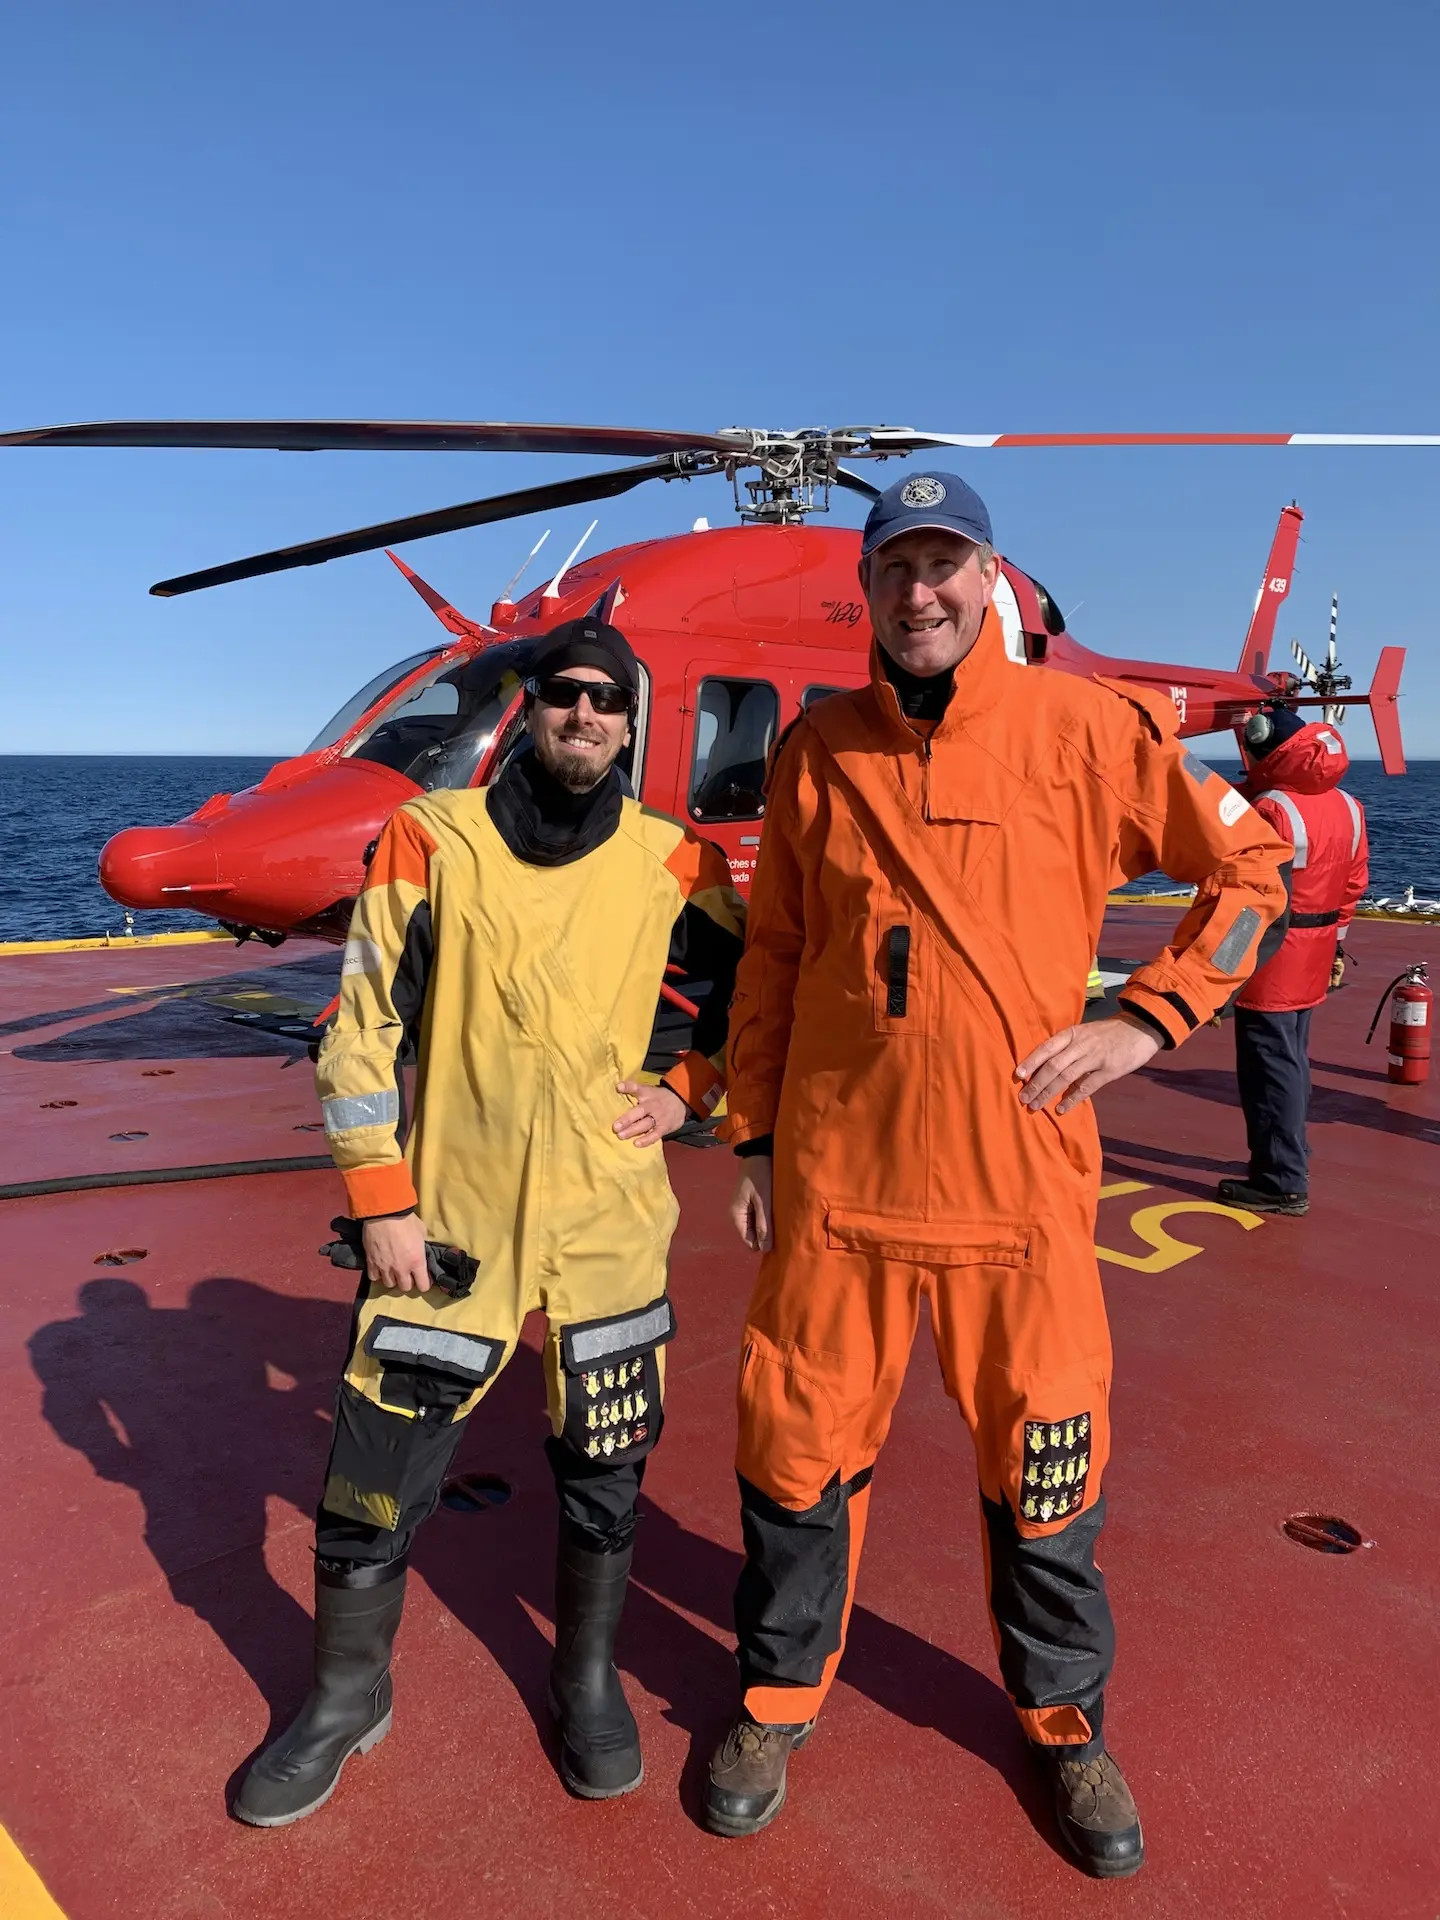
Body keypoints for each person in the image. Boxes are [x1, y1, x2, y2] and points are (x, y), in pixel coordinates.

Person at [707, 472, 1292, 1878]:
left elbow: (1254, 867)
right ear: (868, 589)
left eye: (945, 563)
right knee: (793, 1455)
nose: (921, 592)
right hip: (839, 1187)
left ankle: (1065, 1726)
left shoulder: (1090, 728)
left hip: (1018, 1186)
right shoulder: (816, 752)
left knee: (1049, 1463)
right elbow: (774, 953)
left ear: (991, 579)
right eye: (896, 567)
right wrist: (756, 1136)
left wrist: (1145, 1019)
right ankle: (775, 1704)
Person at [235, 616, 745, 1826]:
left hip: (608, 1221)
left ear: (631, 723)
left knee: (606, 1471)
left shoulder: (678, 859)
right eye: (566, 692)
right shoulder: (432, 837)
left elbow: (755, 995)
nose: (585, 715)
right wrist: (381, 1199)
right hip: (447, 1224)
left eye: (608, 700)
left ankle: (585, 1678)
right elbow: (362, 1028)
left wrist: (693, 1091)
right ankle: (345, 1695)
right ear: (531, 707)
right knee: (372, 1472)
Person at [1216, 705, 1369, 1216]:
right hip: (1316, 949)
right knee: (1293, 1056)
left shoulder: (1271, 808)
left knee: (1268, 1064)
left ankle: (1281, 1180)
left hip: (1272, 954)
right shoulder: (1348, 805)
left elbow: (1246, 894)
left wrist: (1221, 973)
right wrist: (1337, 945)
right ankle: (1289, 1152)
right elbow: (1353, 883)